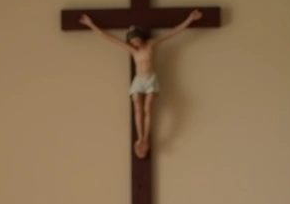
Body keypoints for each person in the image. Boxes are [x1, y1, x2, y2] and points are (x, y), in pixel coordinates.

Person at [79, 10, 203, 159]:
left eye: (135, 40)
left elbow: (172, 33)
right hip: (139, 80)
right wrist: (90, 24)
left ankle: (145, 138)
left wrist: (189, 19)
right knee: (137, 107)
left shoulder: (151, 45)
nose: (134, 43)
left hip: (150, 79)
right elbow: (109, 38)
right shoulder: (132, 50)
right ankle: (140, 137)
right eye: (131, 41)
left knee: (147, 107)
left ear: (140, 37)